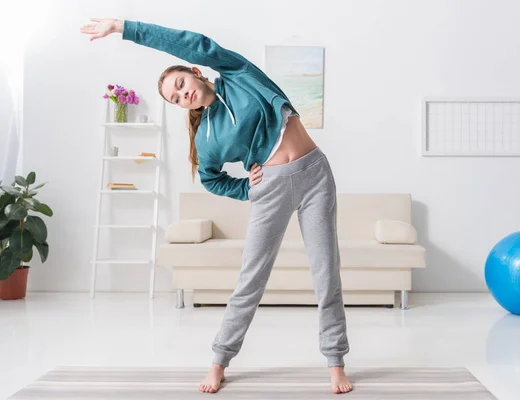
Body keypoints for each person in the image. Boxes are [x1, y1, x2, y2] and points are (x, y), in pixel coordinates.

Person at [80, 18, 353, 395]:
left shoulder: (236, 73)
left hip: (315, 174)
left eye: (180, 85)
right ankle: (219, 361)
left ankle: (335, 363)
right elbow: (210, 177)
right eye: (175, 99)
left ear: (195, 72)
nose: (182, 96)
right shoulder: (207, 136)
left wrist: (123, 28)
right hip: (271, 188)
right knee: (250, 281)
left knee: (327, 274)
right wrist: (247, 190)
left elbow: (190, 41)